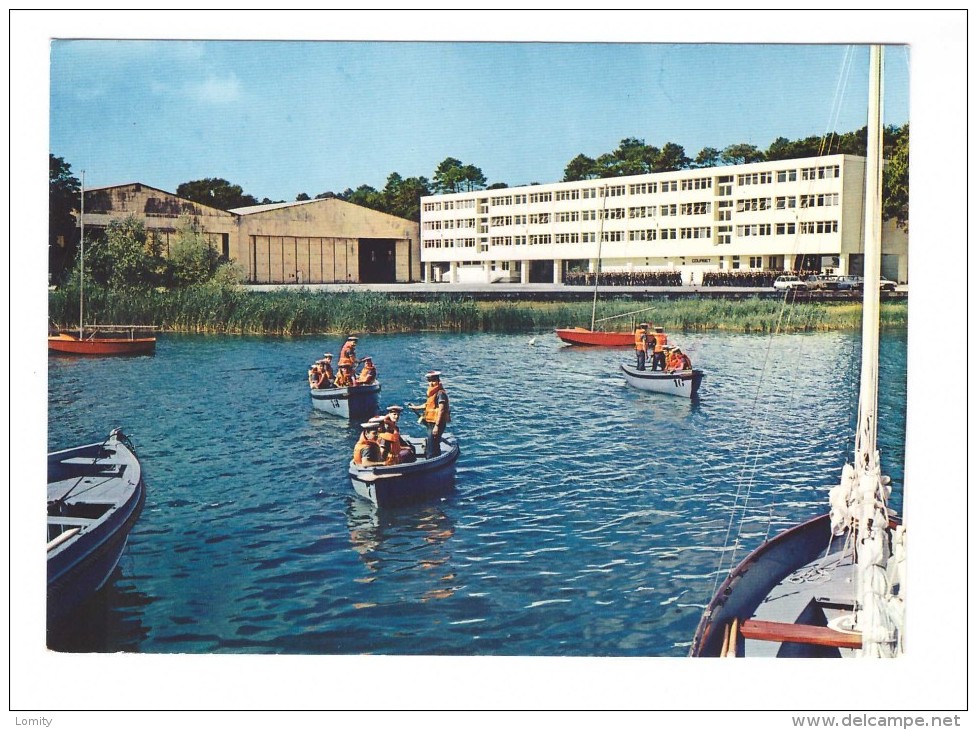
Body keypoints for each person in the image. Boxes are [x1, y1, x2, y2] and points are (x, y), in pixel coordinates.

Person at [407, 371, 450, 458]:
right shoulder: (432, 393)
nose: (431, 383)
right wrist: (415, 408)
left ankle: (432, 459)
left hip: (437, 423)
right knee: (432, 442)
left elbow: (441, 410)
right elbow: (427, 405)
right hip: (430, 422)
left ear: (438, 381)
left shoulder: (440, 393)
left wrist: (437, 426)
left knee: (432, 444)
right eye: (429, 381)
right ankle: (433, 456)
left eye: (433, 381)